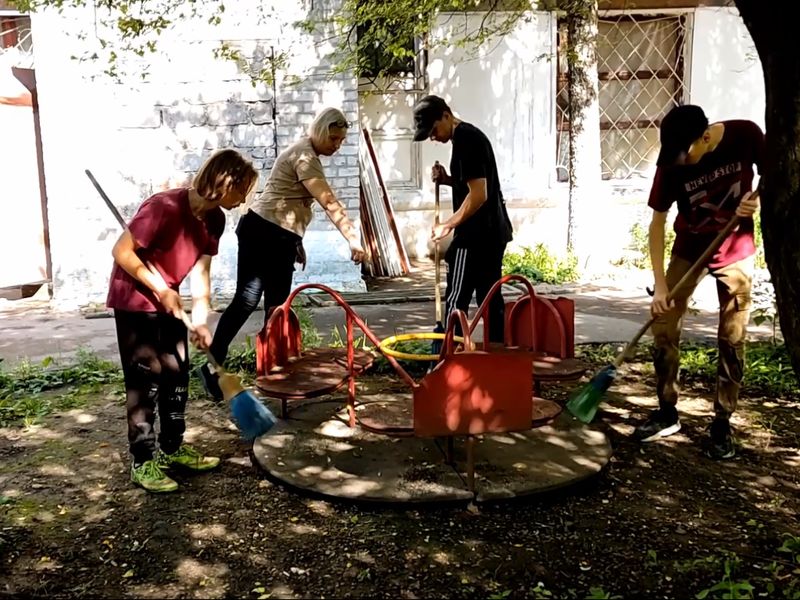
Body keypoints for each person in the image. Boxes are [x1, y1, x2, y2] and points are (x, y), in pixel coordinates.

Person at [107, 149, 259, 492]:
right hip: (135, 299)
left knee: (177, 371)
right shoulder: (164, 207)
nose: (244, 198)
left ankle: (173, 448)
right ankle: (143, 461)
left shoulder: (215, 220)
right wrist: (161, 287)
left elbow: (202, 275)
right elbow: (121, 251)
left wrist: (201, 320)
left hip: (168, 300)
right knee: (146, 379)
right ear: (225, 182)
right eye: (242, 189)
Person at [199, 107, 366, 399]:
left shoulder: (305, 154)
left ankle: (271, 372)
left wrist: (295, 241)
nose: (337, 146)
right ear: (320, 132)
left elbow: (289, 202)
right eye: (334, 139)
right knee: (250, 302)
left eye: (341, 140)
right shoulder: (305, 157)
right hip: (264, 233)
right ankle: (220, 368)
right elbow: (327, 201)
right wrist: (353, 238)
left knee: (274, 308)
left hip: (274, 234)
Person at [636, 104, 764, 460]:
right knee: (663, 328)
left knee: (732, 337)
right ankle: (666, 412)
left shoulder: (745, 135)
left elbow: (776, 172)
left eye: (686, 152)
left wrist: (754, 200)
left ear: (705, 137)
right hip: (689, 250)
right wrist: (660, 285)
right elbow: (657, 224)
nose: (681, 161)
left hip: (736, 252)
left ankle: (722, 423)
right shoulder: (672, 164)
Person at [411, 94, 513, 343]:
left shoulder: (466, 139)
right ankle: (496, 355)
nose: (433, 137)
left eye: (433, 130)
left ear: (446, 115)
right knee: (490, 298)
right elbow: (472, 183)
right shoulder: (469, 137)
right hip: (493, 233)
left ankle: (448, 357)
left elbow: (479, 195)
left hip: (474, 236)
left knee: (457, 297)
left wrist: (447, 224)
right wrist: (447, 179)